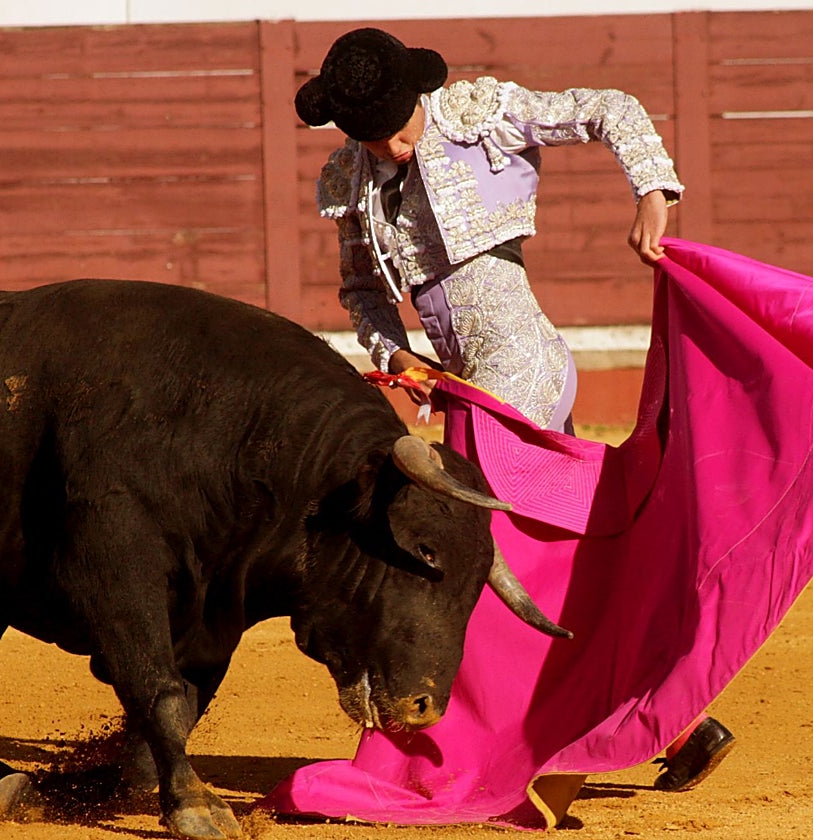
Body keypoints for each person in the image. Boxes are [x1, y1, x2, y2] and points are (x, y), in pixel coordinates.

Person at [294, 27, 733, 794]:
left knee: (479, 559)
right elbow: (363, 289)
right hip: (467, 386)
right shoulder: (351, 176)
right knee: (558, 561)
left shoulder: (478, 115)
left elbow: (608, 107)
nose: (393, 148)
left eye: (399, 128)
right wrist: (397, 356)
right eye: (373, 138)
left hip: (521, 365)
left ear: (418, 97)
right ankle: (678, 726)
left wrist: (653, 189)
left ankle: (511, 749)